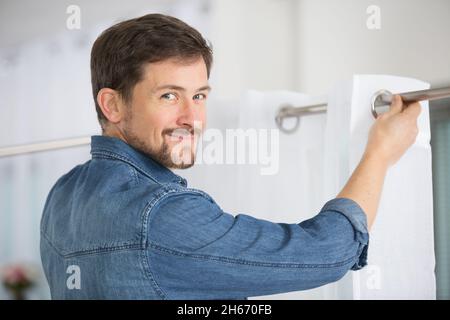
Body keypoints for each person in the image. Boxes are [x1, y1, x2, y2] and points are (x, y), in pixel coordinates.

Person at [40, 13, 422, 299]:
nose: (192, 118)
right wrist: (380, 153)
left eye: (200, 95)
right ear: (112, 105)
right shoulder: (161, 215)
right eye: (169, 96)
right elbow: (329, 253)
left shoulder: (62, 195)